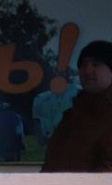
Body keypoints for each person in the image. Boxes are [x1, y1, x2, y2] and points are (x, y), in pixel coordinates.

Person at [42, 40, 112, 172]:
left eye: (95, 64)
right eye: (83, 65)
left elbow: (107, 173)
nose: (87, 70)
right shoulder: (71, 116)